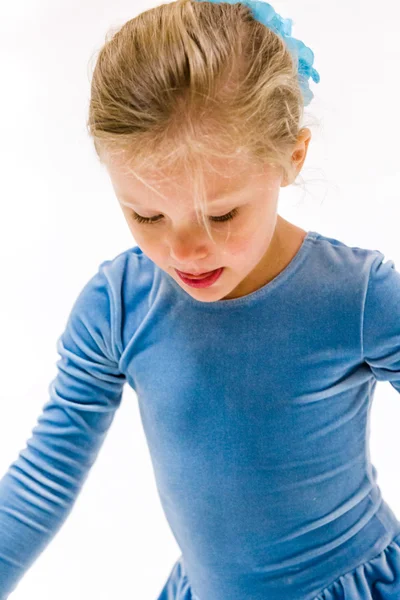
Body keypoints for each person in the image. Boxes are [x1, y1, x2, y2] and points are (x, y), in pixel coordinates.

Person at [1, 0, 400, 598]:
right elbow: (44, 478)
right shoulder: (118, 305)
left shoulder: (358, 295)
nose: (185, 251)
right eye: (146, 214)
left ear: (291, 157)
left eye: (221, 213)